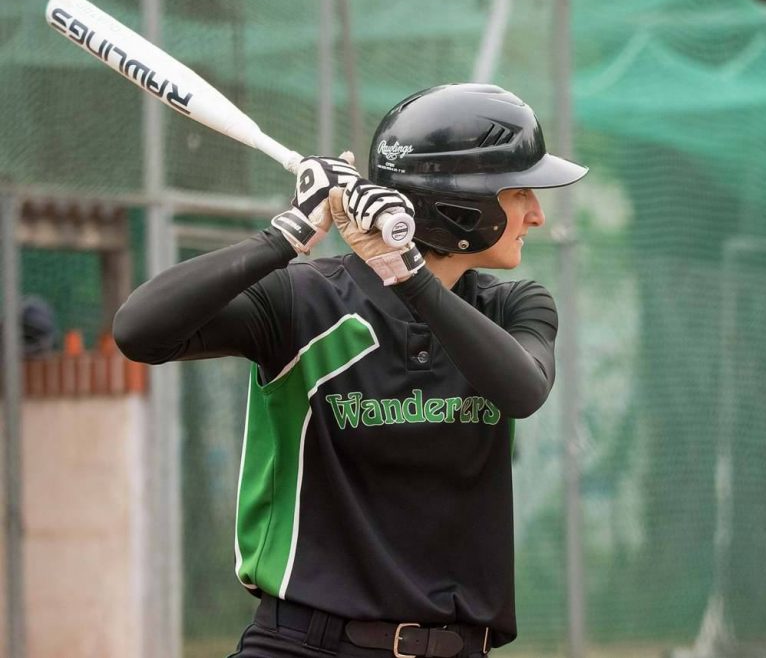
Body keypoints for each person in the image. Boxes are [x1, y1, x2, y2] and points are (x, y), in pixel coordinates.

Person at [114, 82, 587, 658]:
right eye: (518, 194)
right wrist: (283, 237)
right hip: (303, 646)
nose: (536, 214)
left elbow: (523, 389)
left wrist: (407, 274)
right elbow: (139, 331)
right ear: (462, 205)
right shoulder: (302, 302)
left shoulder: (515, 305)